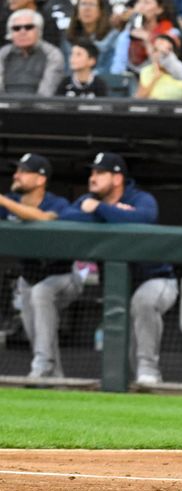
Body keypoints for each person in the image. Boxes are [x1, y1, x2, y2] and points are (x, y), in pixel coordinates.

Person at [58, 152, 178, 386]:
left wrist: (100, 210)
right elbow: (66, 217)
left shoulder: (140, 198)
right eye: (92, 173)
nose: (93, 178)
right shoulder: (85, 199)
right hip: (119, 288)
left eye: (100, 173)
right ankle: (136, 386)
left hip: (158, 280)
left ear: (117, 178)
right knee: (127, 351)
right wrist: (116, 214)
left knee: (144, 302)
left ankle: (149, 371)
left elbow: (144, 217)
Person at [0, 154, 79, 379]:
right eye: (17, 170)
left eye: (24, 171)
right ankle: (55, 378)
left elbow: (44, 218)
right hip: (29, 277)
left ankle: (42, 366)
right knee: (36, 329)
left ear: (40, 179)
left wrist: (5, 203)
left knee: (41, 293)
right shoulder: (10, 201)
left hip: (64, 277)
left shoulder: (57, 203)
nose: (16, 175)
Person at [110, 0, 180, 75]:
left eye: (146, 2)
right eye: (138, 1)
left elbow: (164, 68)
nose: (140, 7)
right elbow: (118, 67)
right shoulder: (128, 33)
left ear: (160, 9)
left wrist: (149, 39)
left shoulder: (171, 33)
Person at [0, 9, 65, 96]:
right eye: (16, 28)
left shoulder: (52, 54)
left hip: (39, 108)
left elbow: (47, 91)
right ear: (10, 33)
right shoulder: (3, 54)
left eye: (29, 27)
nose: (22, 32)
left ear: (39, 30)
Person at [62, 0, 119, 75]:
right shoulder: (68, 37)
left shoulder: (113, 36)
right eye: (83, 4)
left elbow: (110, 69)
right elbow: (67, 69)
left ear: (100, 12)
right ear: (77, 12)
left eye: (92, 4)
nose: (87, 9)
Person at [134, 33, 182, 100]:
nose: (160, 54)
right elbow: (138, 99)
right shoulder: (146, 71)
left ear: (174, 54)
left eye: (166, 51)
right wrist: (155, 78)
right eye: (156, 50)